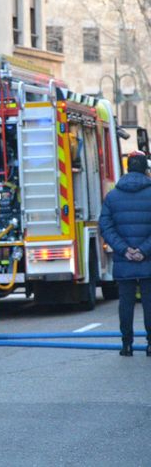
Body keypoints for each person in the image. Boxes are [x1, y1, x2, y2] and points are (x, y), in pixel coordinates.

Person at [98, 150, 151, 357]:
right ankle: (150, 344)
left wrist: (124, 250)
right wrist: (143, 251)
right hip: (148, 259)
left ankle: (126, 344)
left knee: (126, 302)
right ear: (145, 169)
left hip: (124, 259)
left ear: (127, 168)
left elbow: (106, 226)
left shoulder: (112, 196)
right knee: (149, 302)